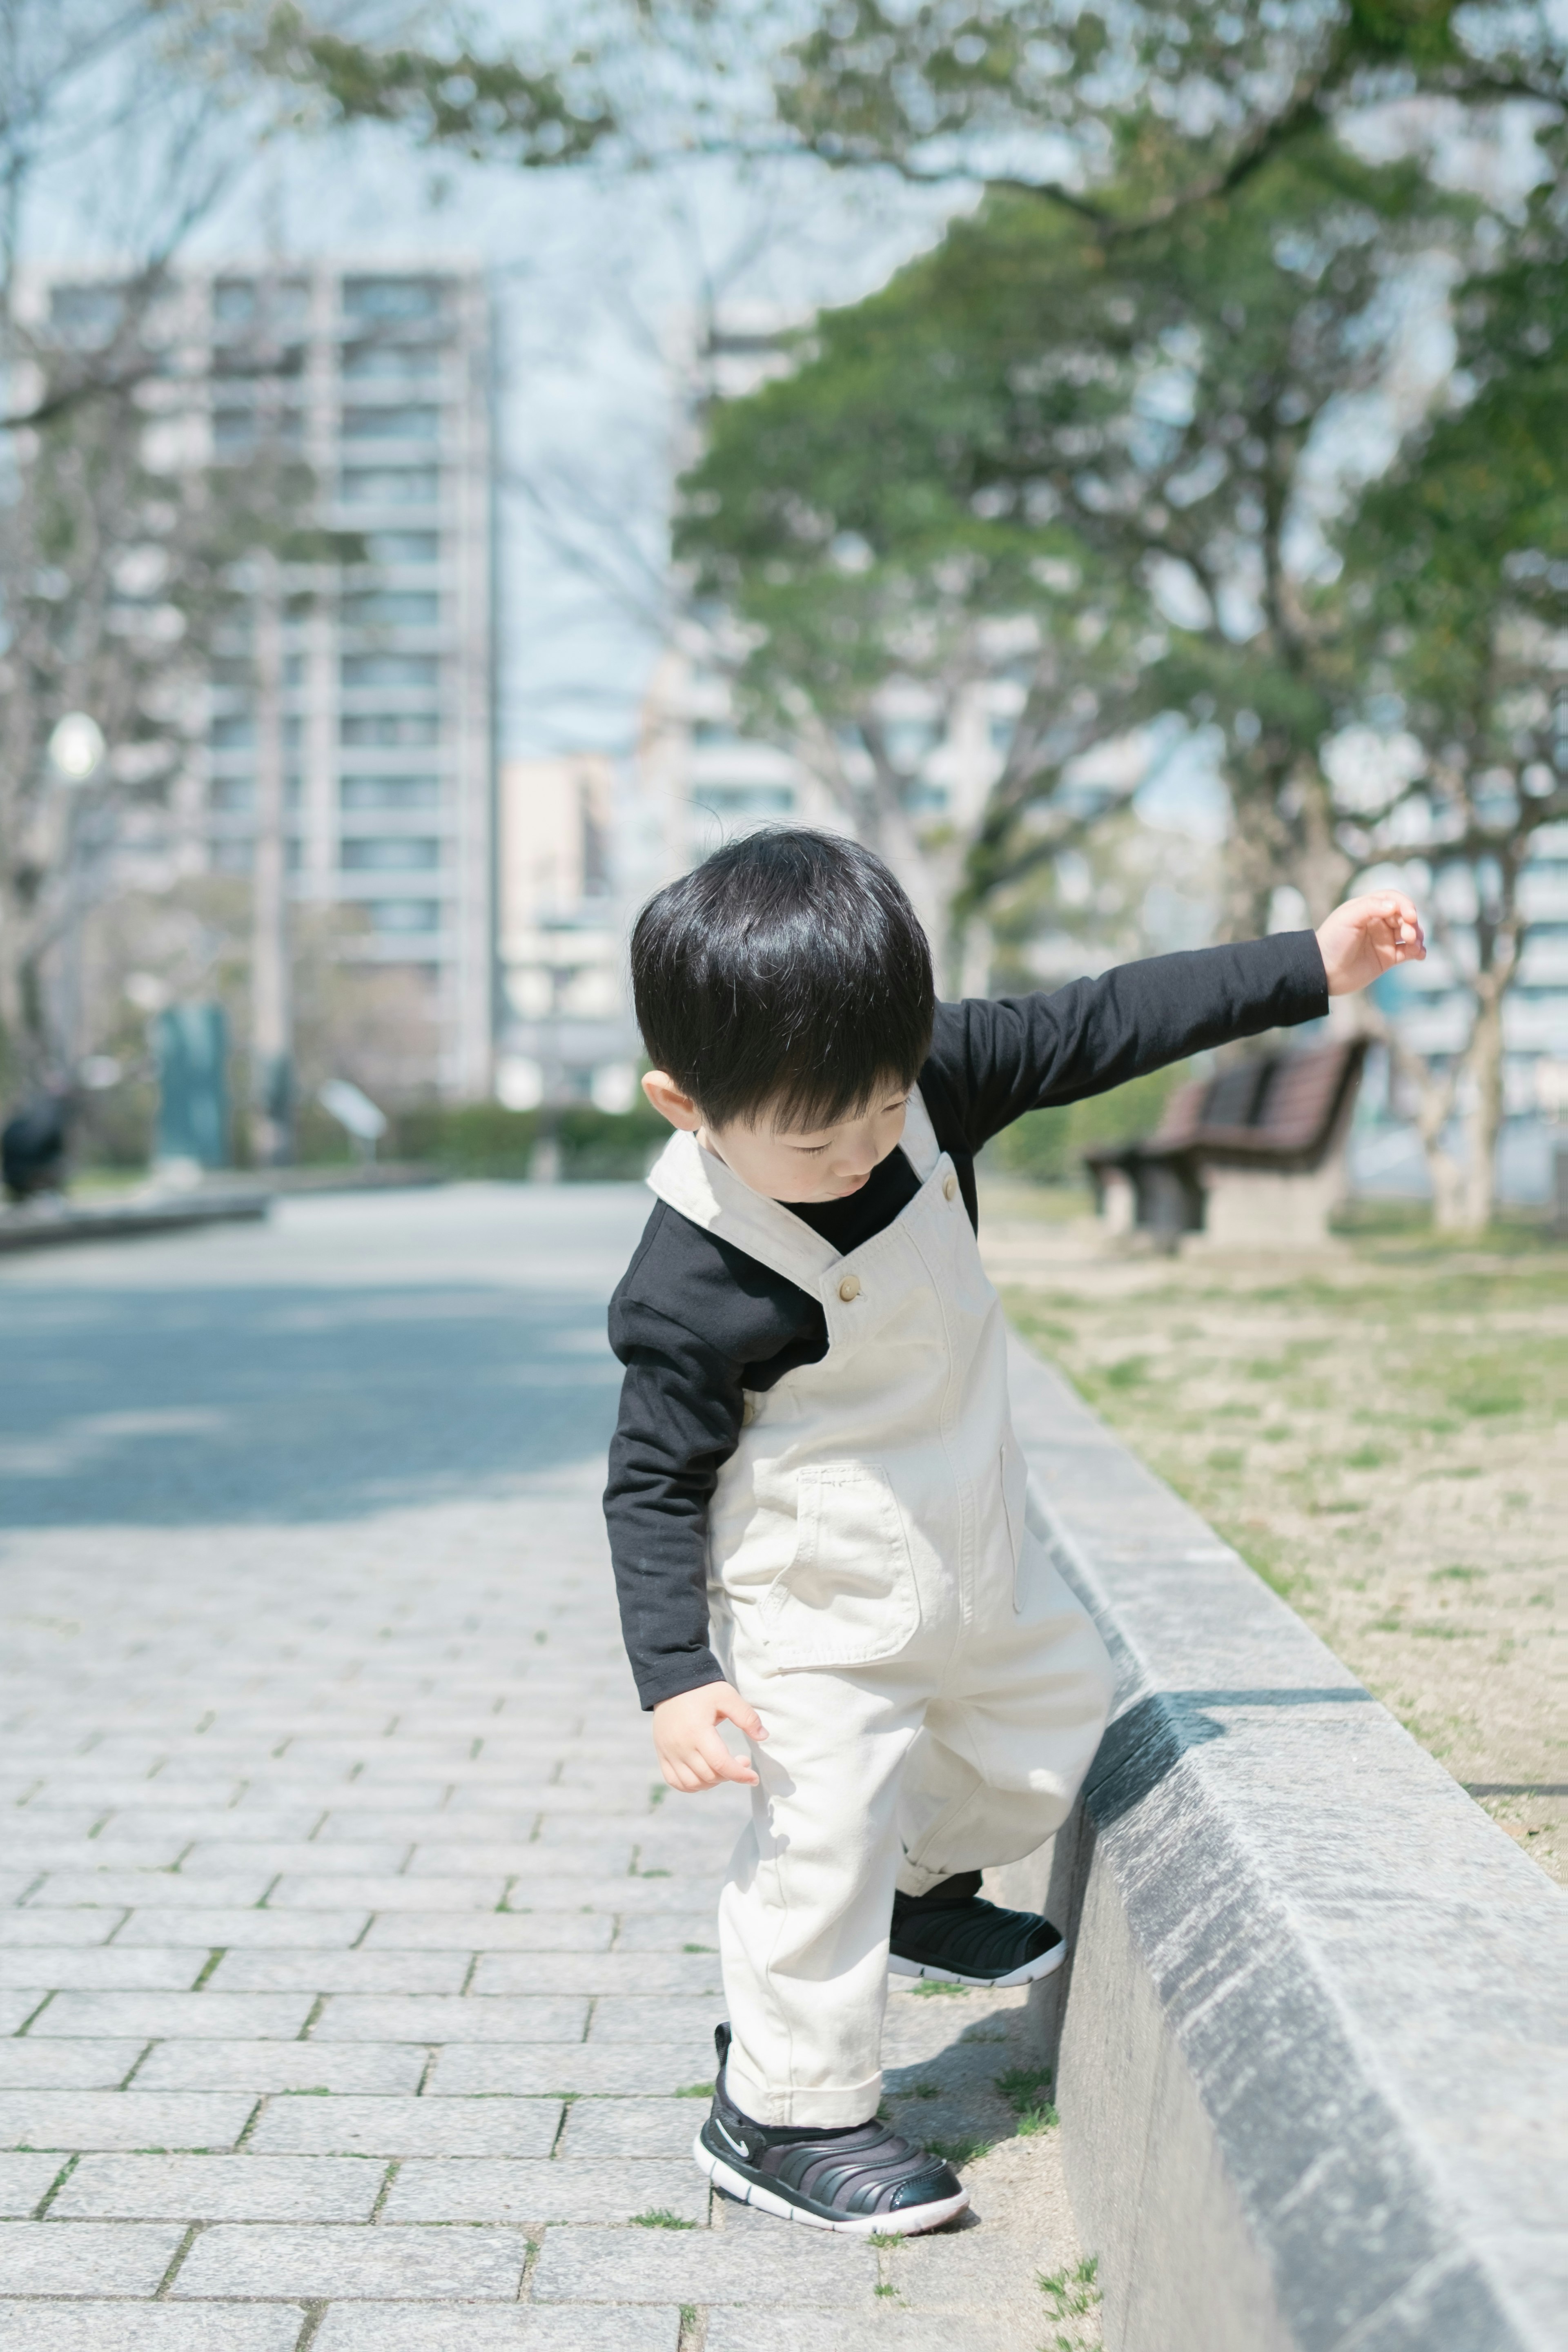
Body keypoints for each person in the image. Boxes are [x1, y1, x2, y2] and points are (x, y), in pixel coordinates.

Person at [604, 829, 1423, 2237]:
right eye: (819, 1140)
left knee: (1051, 1719)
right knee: (820, 1839)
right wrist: (678, 1677)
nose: (867, 1148)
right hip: (812, 1593)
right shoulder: (686, 1282)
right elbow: (650, 1488)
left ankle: (923, 1883)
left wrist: (1315, 963)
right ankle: (783, 2115)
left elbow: (1113, 1018)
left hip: (967, 1534)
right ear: (688, 1105)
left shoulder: (929, 1080)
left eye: (880, 1109)